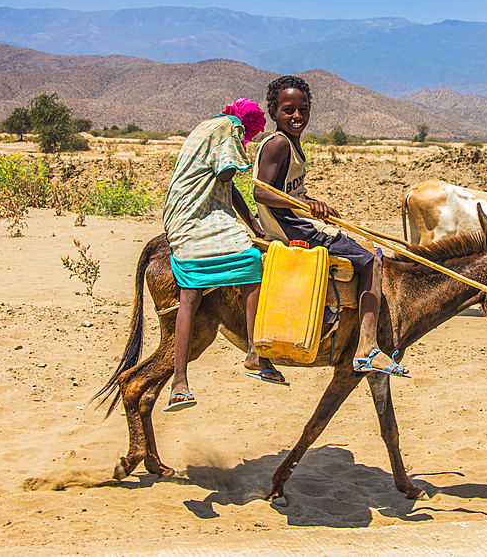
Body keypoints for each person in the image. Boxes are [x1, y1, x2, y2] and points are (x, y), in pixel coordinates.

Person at [253, 75, 407, 376]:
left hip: (297, 223)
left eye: (303, 109)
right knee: (371, 261)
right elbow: (261, 191)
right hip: (292, 230)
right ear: (273, 113)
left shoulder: (291, 145)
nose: (297, 116)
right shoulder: (278, 144)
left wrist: (313, 203)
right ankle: (366, 347)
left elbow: (287, 192)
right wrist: (307, 207)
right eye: (288, 110)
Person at [162, 98, 285, 412]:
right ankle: (255, 351)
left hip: (184, 218)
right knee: (251, 262)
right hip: (199, 218)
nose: (248, 138)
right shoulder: (226, 127)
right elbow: (228, 175)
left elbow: (225, 189)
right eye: (250, 133)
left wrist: (252, 222)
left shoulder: (206, 128)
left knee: (190, 295)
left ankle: (180, 382)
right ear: (246, 123)